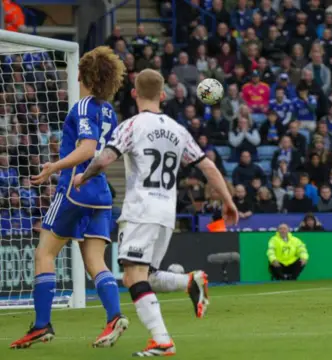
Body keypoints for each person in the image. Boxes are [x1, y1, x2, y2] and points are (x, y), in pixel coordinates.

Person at [71, 69, 238, 356]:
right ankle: (189, 280)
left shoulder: (131, 126)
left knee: (134, 276)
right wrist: (228, 201)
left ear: (135, 93)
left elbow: (104, 159)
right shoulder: (178, 130)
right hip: (165, 213)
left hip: (141, 210)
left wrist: (81, 177)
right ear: (162, 95)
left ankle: (162, 340)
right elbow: (208, 166)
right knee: (143, 275)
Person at [11, 47, 127, 349]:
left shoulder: (83, 106)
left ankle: (41, 325)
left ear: (83, 75)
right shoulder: (108, 111)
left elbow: (88, 149)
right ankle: (115, 316)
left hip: (74, 191)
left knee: (44, 254)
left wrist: (55, 166)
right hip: (99, 192)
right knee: (94, 261)